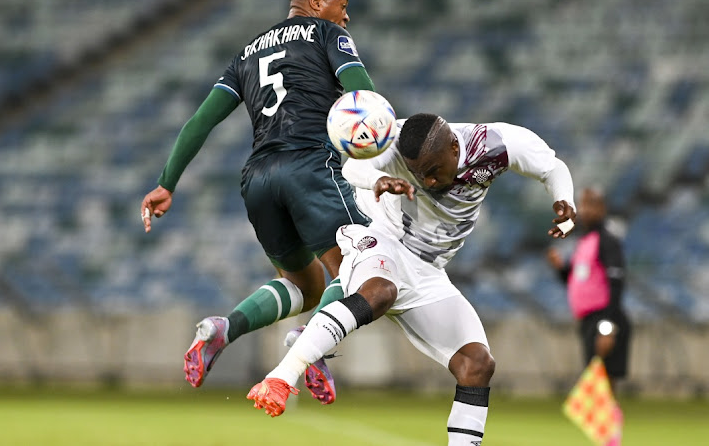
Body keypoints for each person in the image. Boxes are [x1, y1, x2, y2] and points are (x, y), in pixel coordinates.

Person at [247, 113, 577, 446]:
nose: (429, 183)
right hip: (381, 237)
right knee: (381, 291)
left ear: (453, 146)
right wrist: (377, 178)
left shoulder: (496, 143)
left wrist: (564, 199)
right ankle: (280, 378)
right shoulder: (393, 139)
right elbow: (352, 167)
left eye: (434, 171)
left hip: (429, 270)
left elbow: (552, 167)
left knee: (477, 364)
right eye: (420, 175)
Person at [140, 0, 375, 400]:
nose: (346, 18)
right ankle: (311, 344)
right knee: (360, 268)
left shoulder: (245, 54)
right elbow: (364, 97)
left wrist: (166, 182)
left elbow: (200, 121)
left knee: (307, 287)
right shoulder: (326, 35)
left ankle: (222, 329)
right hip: (311, 165)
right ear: (318, 2)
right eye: (343, 6)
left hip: (259, 180)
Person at [546, 187, 630, 390]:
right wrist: (560, 268)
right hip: (588, 321)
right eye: (582, 204)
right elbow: (576, 280)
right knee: (596, 382)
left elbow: (616, 282)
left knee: (605, 381)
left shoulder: (607, 241)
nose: (585, 210)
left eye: (591, 204)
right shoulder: (584, 242)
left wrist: (607, 329)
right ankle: (606, 422)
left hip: (605, 317)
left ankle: (610, 422)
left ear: (602, 208)